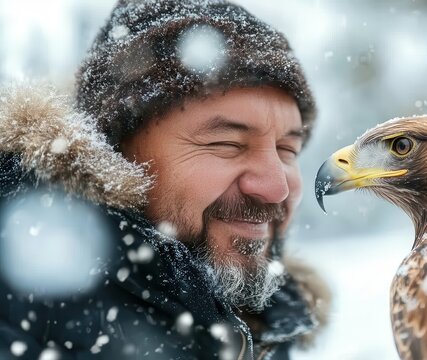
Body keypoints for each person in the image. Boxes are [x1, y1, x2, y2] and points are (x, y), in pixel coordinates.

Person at [0, 0, 329, 359]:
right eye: (226, 144)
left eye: (287, 150)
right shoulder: (23, 319)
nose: (276, 188)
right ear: (113, 154)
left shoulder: (264, 323)